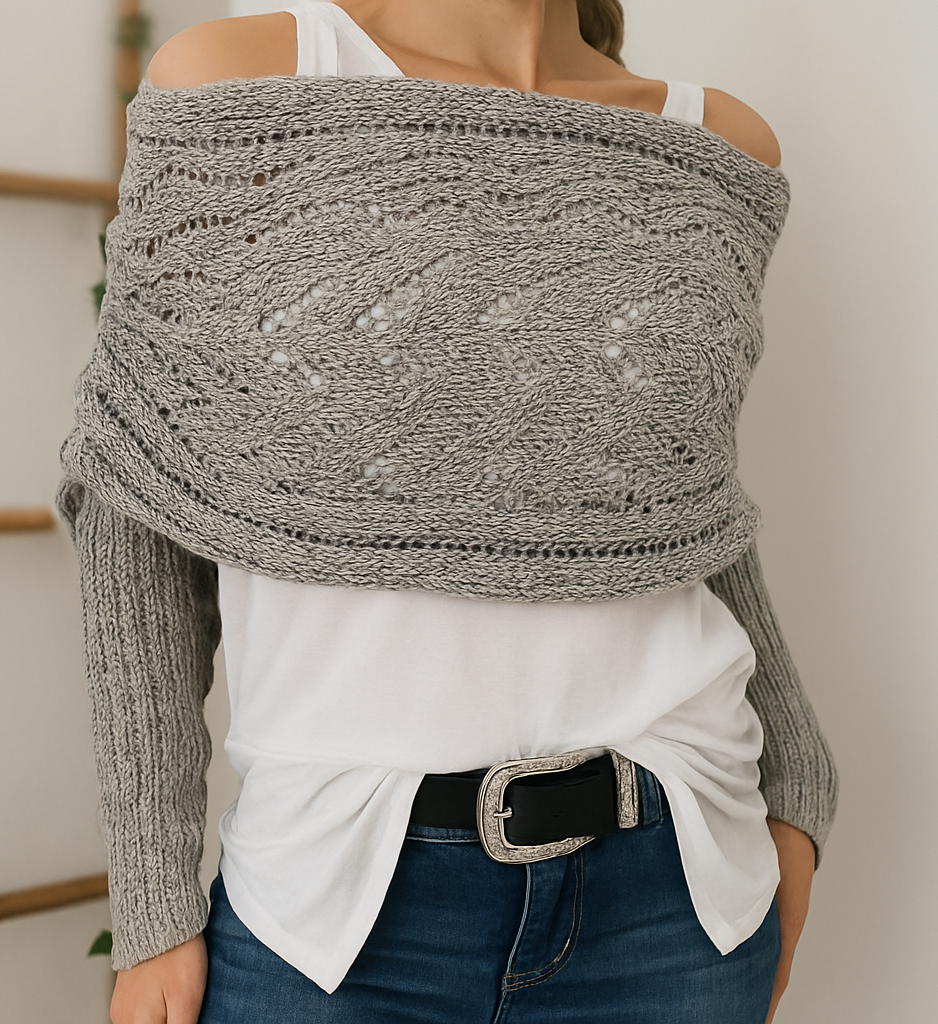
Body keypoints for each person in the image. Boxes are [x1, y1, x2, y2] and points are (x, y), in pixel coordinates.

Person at [59, 2, 838, 1022]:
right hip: (332, 917)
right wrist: (153, 904)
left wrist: (798, 777)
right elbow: (136, 500)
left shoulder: (714, 147)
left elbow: (678, 511)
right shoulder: (243, 84)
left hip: (674, 899)